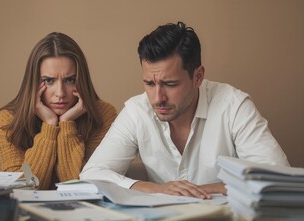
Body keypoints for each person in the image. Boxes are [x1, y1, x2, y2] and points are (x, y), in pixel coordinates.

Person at [80, 22, 289, 199]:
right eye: (149, 84)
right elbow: (92, 174)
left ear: (198, 77)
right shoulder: (137, 111)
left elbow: (279, 178)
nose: (157, 98)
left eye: (170, 84)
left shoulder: (233, 105)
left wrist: (204, 190)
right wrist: (156, 189)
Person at [0, 32, 117, 190]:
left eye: (69, 80)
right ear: (34, 82)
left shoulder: (103, 114)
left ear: (81, 80)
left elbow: (85, 187)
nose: (60, 93)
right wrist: (50, 127)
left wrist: (66, 124)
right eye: (48, 81)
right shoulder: (9, 118)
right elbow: (22, 188)